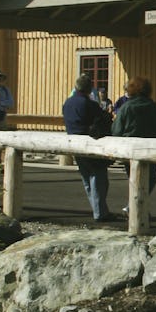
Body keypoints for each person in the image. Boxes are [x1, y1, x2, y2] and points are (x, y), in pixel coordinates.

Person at [62, 74, 118, 222]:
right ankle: (100, 212)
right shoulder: (90, 104)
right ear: (89, 89)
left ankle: (98, 210)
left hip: (74, 144)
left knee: (87, 179)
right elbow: (103, 120)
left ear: (76, 87)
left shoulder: (67, 103)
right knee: (99, 179)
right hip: (90, 145)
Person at [115, 77, 156, 192]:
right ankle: (135, 207)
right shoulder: (155, 107)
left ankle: (134, 207)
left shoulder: (125, 108)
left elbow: (116, 130)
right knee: (151, 180)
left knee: (134, 180)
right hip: (151, 148)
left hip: (130, 150)